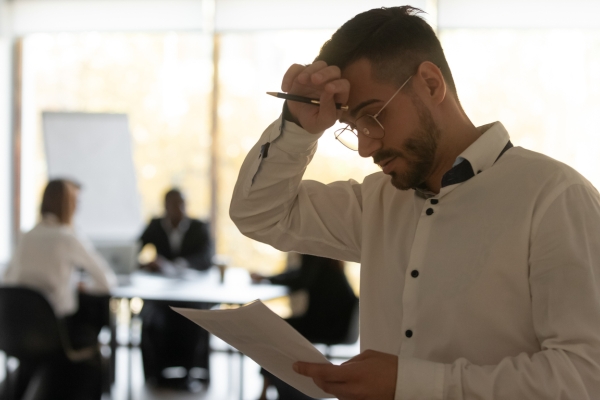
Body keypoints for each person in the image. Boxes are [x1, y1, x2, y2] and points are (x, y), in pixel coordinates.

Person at [229, 6, 600, 400]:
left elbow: (586, 375)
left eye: (372, 116)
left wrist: (411, 384)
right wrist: (298, 128)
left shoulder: (555, 198)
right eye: (353, 127)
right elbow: (260, 214)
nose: (366, 146)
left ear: (430, 83)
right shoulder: (377, 203)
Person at [4, 178, 117, 399]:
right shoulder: (67, 238)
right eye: (75, 202)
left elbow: (8, 282)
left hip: (16, 333)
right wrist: (80, 286)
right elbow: (106, 282)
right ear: (67, 205)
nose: (77, 208)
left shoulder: (25, 236)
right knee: (92, 333)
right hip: (56, 335)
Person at [251, 254, 358, 400]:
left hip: (327, 326)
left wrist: (268, 279)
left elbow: (301, 280)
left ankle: (266, 392)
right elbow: (300, 275)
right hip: (334, 323)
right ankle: (270, 389)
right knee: (276, 327)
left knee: (274, 329)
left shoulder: (314, 252)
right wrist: (268, 278)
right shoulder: (326, 255)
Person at [138, 188, 214, 391]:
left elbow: (207, 258)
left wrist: (181, 264)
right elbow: (135, 250)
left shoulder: (199, 227)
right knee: (151, 317)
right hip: (160, 294)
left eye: (182, 204)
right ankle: (156, 373)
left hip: (192, 292)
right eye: (173, 205)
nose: (178, 209)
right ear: (165, 207)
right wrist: (147, 264)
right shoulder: (155, 226)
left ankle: (191, 372)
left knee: (194, 318)